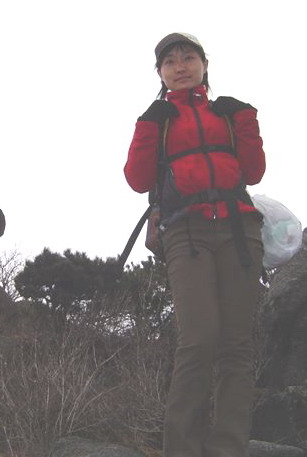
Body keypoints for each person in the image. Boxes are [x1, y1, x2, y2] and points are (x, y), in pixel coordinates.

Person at [124, 33, 265, 457]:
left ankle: (228, 449)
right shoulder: (159, 120)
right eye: (169, 61)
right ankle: (183, 449)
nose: (180, 66)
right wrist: (148, 124)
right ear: (160, 73)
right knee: (199, 339)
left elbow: (254, 172)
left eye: (188, 57)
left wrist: (246, 120)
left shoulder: (227, 114)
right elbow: (137, 180)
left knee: (237, 345)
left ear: (204, 65)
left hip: (240, 230)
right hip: (186, 233)